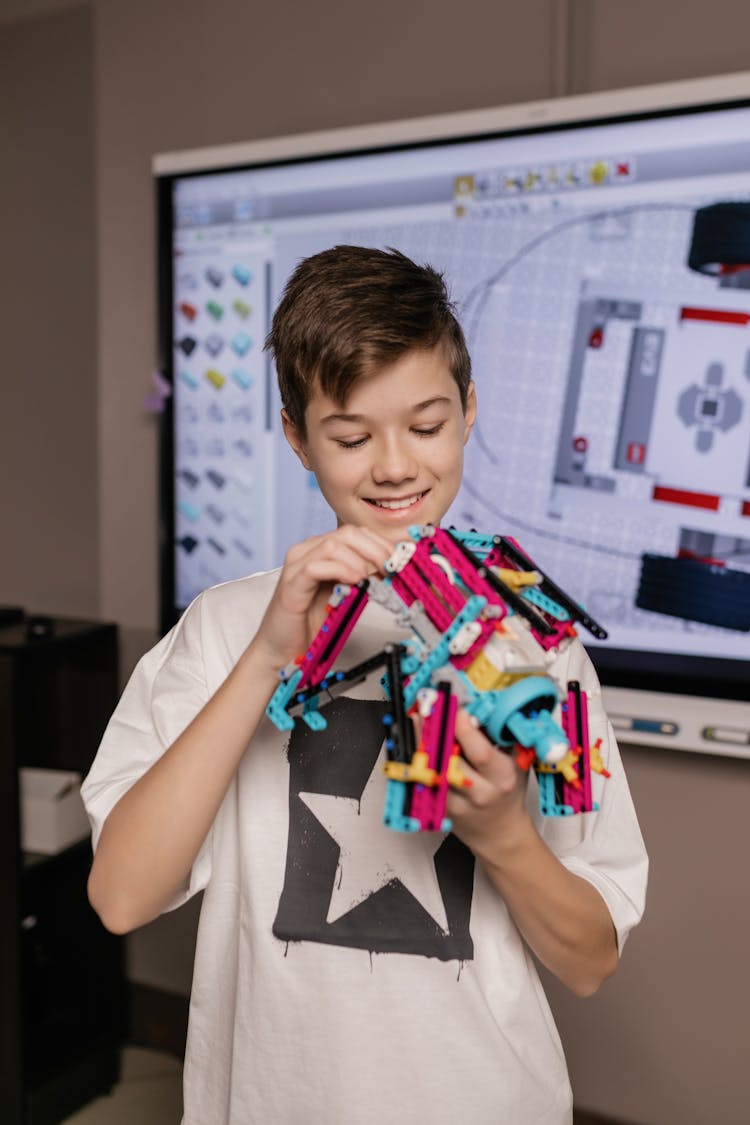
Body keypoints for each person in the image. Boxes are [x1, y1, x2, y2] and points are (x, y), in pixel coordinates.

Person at [83, 245, 648, 1125]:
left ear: (468, 412)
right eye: (351, 437)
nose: (394, 466)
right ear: (297, 437)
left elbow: (588, 959)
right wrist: (267, 652)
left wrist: (501, 833)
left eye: (426, 426)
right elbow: (121, 896)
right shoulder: (225, 627)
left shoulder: (539, 644)